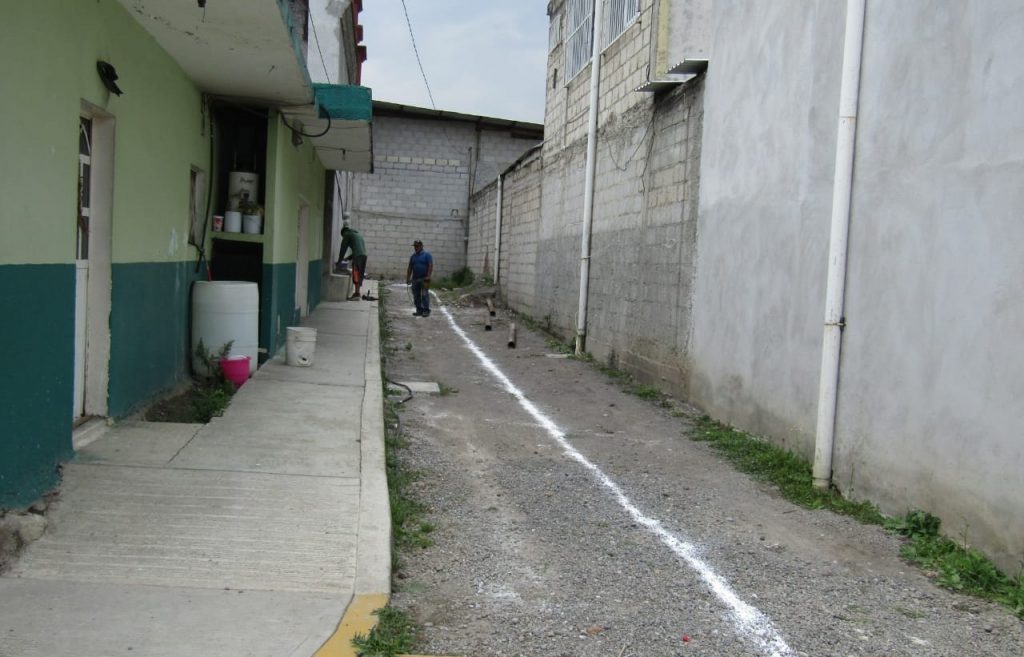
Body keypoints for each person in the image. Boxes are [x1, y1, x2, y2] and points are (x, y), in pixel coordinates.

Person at [336, 225, 367, 300]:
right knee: (359, 274)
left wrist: (339, 261)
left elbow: (343, 248)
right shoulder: (357, 234)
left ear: (343, 233)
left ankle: (356, 294)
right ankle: (357, 293)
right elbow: (358, 250)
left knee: (356, 273)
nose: (343, 238)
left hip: (358, 256)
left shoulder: (346, 234)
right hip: (364, 256)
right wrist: (347, 258)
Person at [406, 239, 433, 317]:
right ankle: (419, 310)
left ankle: (426, 310)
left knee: (424, 294)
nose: (415, 248)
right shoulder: (413, 256)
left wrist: (428, 276)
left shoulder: (427, 255)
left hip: (425, 279)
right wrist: (408, 278)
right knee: (416, 295)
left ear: (421, 246)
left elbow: (430, 266)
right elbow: (410, 267)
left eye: (417, 246)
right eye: (415, 246)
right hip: (415, 279)